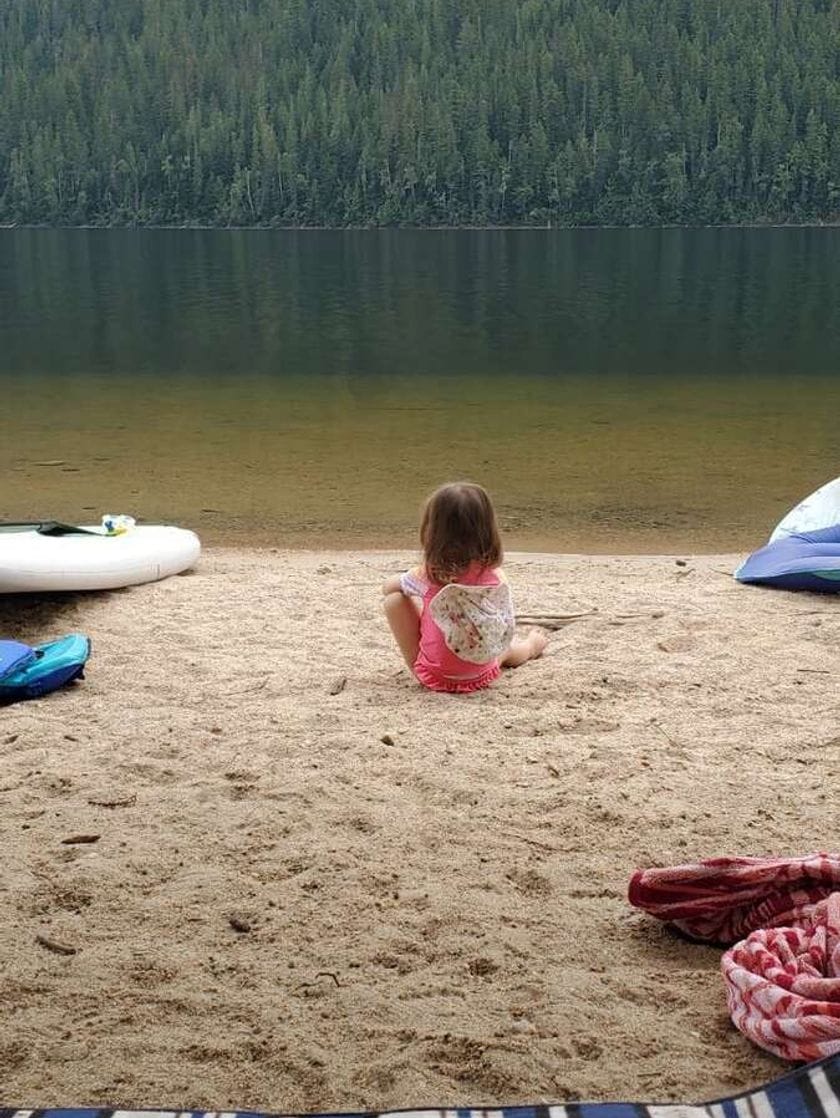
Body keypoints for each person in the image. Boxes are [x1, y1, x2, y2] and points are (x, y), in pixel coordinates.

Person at [382, 481, 547, 693]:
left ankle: (423, 665)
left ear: (432, 531)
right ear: (488, 530)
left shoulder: (427, 575)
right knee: (506, 651)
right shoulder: (494, 575)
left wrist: (416, 592)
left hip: (435, 677)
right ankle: (531, 647)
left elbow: (388, 587)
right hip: (483, 671)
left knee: (394, 600)